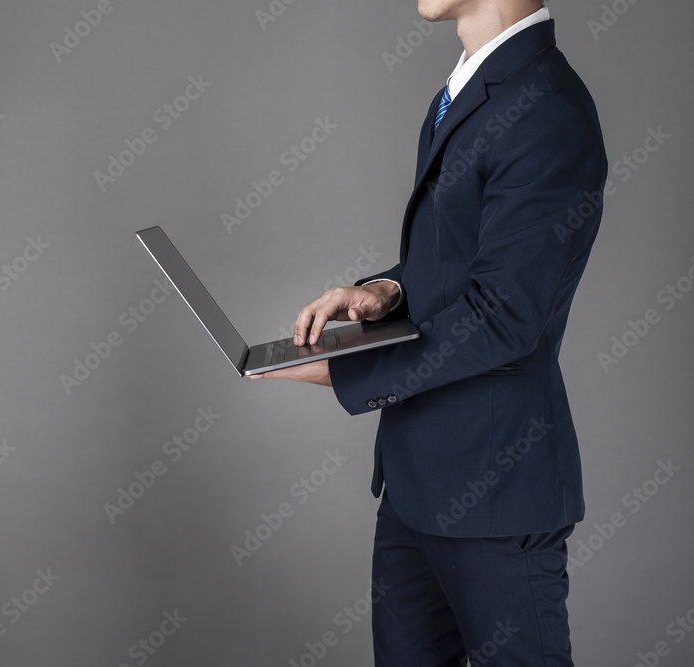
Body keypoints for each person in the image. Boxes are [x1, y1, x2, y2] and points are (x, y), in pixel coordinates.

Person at [250, 1, 607, 664]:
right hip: (416, 483)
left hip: (496, 491)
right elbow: (458, 265)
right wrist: (390, 289)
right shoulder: (463, 88)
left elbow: (506, 314)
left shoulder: (547, 107)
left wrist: (346, 366)